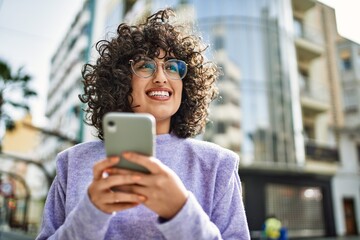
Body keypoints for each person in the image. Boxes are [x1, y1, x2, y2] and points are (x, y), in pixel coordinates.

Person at [36, 8, 250, 240]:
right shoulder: (72, 162)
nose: (161, 77)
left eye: (172, 67)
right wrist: (91, 212)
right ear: (121, 79)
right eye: (145, 66)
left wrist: (180, 211)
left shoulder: (218, 165)